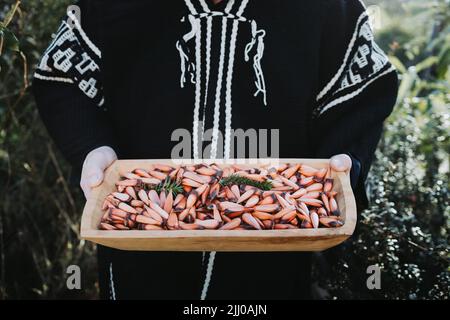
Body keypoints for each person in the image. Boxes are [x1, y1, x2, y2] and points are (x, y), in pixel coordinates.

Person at [33, 0, 398, 299]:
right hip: (143, 245)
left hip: (270, 247)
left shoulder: (326, 8)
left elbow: (366, 86)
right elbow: (62, 79)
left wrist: (340, 161)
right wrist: (92, 147)